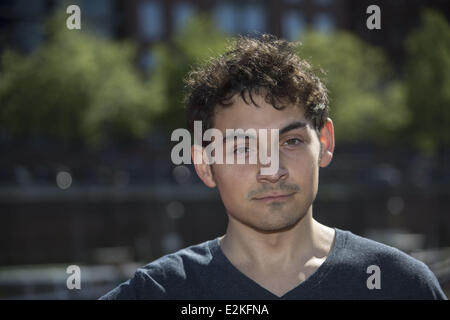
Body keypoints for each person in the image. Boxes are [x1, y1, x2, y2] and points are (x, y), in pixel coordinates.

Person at [100, 34, 446, 300]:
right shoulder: (161, 292)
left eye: (290, 142)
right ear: (205, 165)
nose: (271, 169)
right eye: (242, 148)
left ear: (324, 143)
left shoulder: (401, 285)